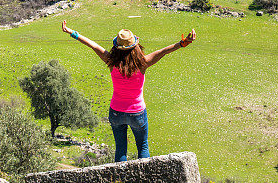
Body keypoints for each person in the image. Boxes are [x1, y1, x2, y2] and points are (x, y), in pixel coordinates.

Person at [61, 20, 196, 162]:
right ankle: (144, 178)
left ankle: (120, 182)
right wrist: (184, 43)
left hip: (116, 112)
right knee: (143, 146)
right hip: (137, 112)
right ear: (135, 46)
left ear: (116, 46)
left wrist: (71, 32)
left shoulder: (111, 61)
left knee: (120, 149)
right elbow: (164, 51)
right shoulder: (142, 63)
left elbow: (92, 45)